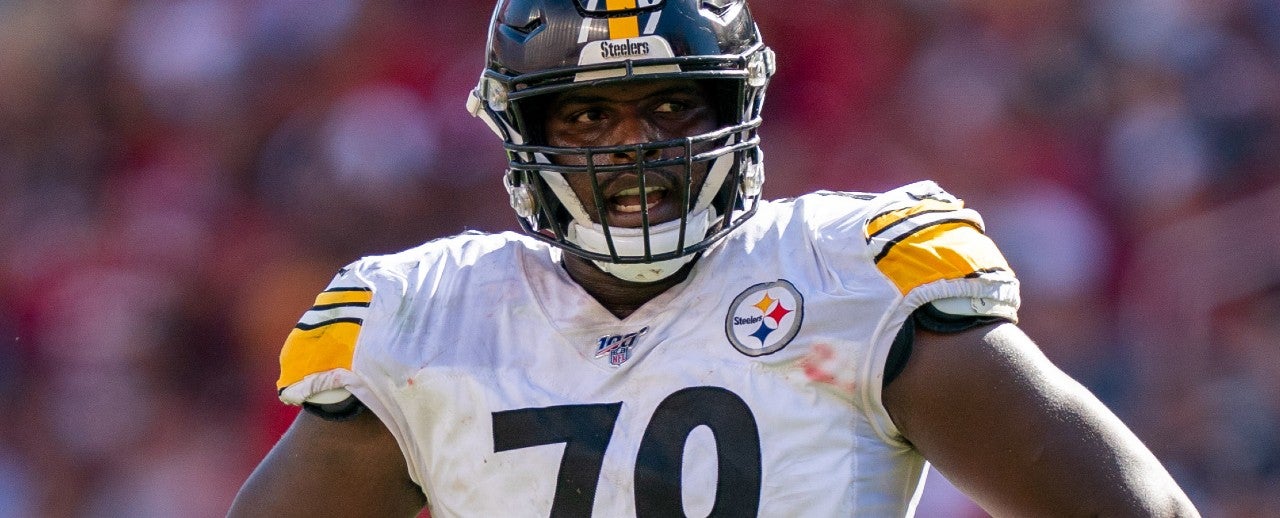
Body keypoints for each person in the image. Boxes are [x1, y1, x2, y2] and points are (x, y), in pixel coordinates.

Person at [230, 1, 1199, 516]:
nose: (634, 146)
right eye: (585, 114)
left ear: (732, 113)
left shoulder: (843, 273)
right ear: (524, 133)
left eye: (670, 105)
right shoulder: (428, 316)